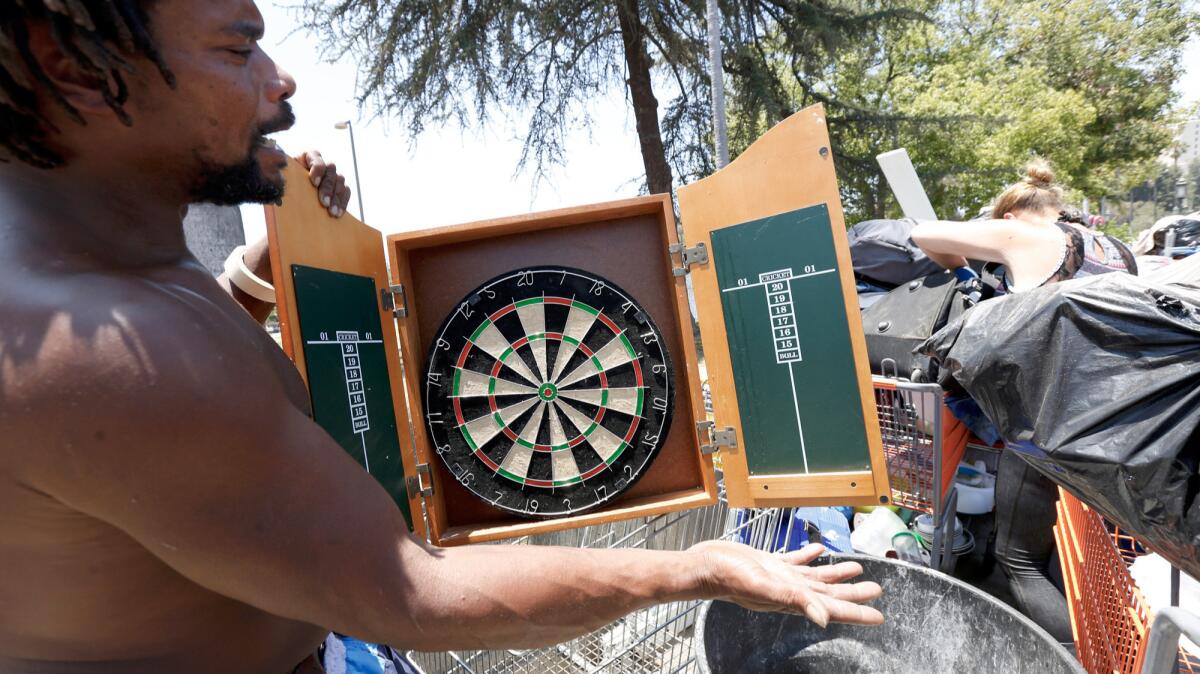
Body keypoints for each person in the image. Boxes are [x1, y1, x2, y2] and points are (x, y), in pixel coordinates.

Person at [0, 2, 885, 673]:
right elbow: (413, 595)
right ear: (72, 66)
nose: (282, 80)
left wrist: (261, 277)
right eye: (238, 49)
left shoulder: (104, 283)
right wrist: (694, 568)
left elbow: (179, 425)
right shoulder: (92, 345)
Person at [910, 159, 1136, 644]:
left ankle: (1080, 656)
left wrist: (964, 267)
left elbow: (924, 234)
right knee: (1076, 555)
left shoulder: (1026, 236)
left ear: (1008, 218)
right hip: (1115, 427)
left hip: (1051, 425)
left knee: (1020, 560)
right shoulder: (1116, 249)